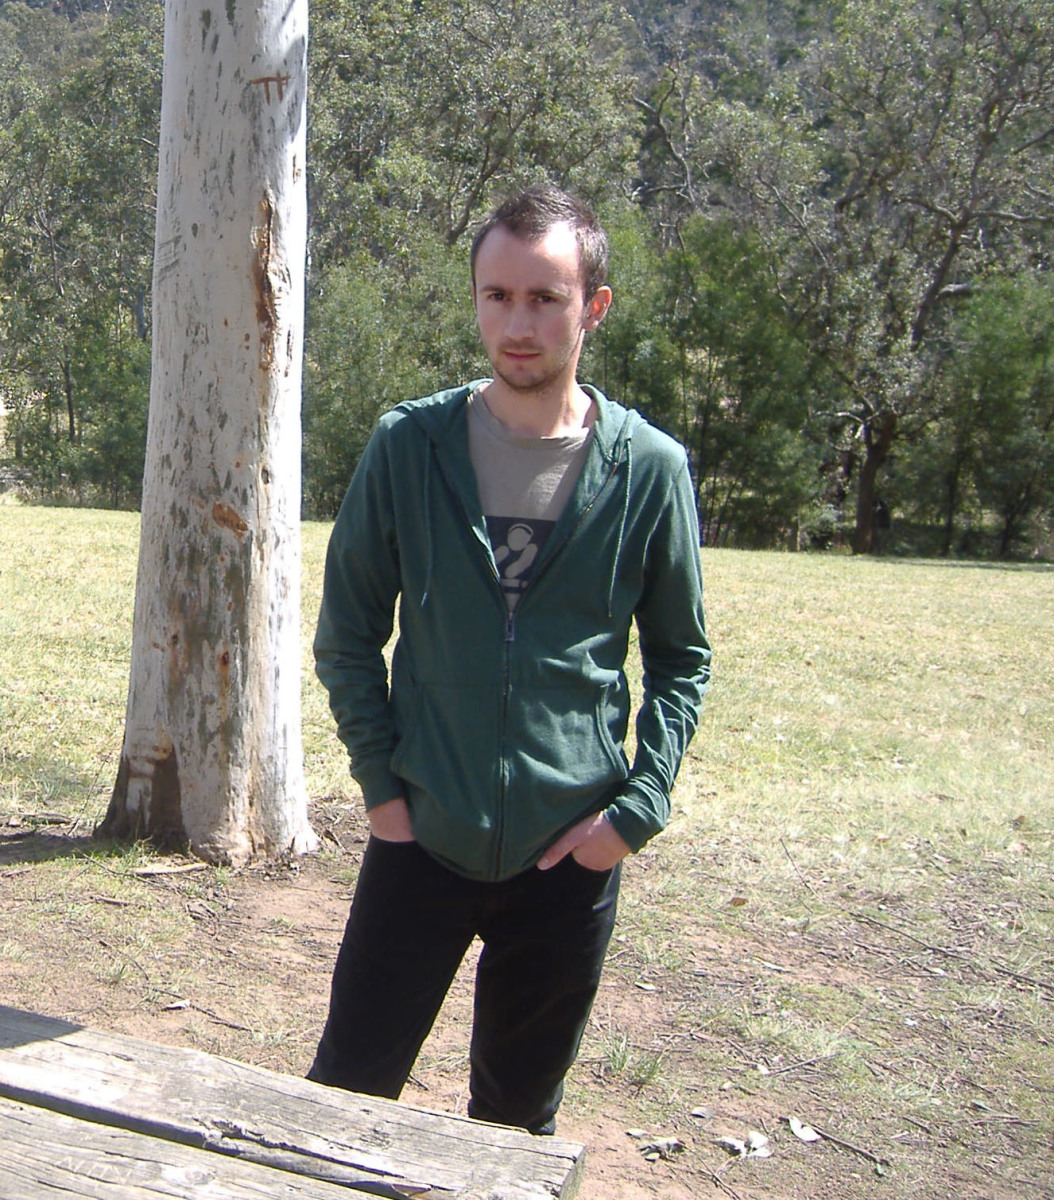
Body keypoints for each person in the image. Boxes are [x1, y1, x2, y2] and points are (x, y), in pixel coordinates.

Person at [308, 185, 710, 1135]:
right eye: (498, 296)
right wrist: (384, 794)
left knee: (517, 1125)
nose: (518, 324)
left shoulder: (648, 468)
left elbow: (681, 657)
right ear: (477, 299)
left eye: (545, 297)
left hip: (568, 854)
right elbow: (348, 632)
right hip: (422, 840)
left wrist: (635, 811)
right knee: (343, 1099)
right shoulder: (412, 445)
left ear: (593, 306)